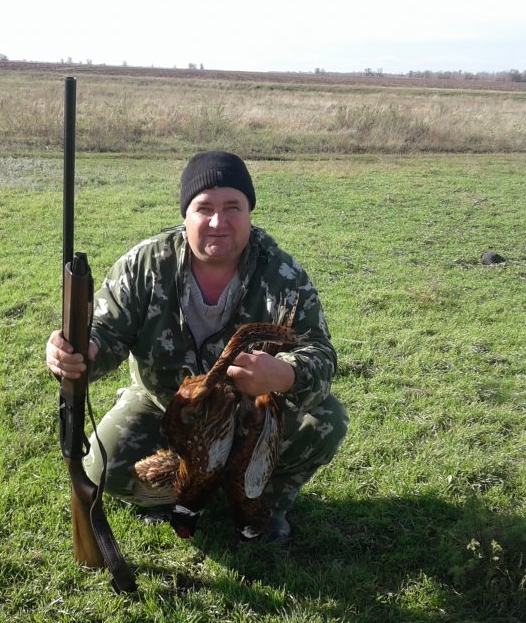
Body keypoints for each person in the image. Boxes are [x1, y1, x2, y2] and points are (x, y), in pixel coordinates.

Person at [46, 151, 347, 543]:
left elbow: (320, 354)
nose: (218, 222)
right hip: (166, 407)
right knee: (103, 468)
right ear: (185, 215)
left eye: (232, 207)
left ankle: (263, 504)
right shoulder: (146, 264)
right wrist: (79, 352)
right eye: (204, 208)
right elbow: (105, 332)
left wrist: (285, 374)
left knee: (325, 419)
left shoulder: (282, 275)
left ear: (249, 212)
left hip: (250, 418)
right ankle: (182, 495)